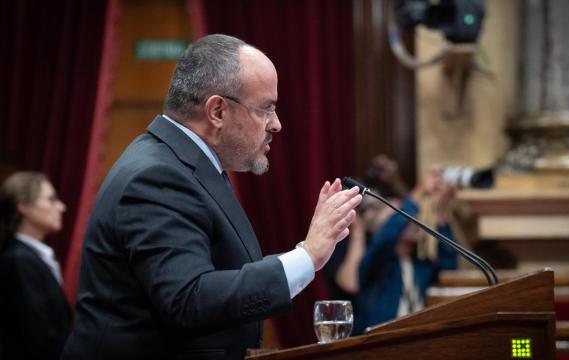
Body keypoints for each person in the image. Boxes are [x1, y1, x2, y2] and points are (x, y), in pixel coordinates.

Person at [62, 34, 362, 359]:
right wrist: (308, 256)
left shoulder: (184, 164)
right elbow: (189, 298)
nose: (276, 124)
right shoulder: (157, 176)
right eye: (266, 109)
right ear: (217, 111)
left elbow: (217, 277)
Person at [355, 162, 459, 334]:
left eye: (413, 216)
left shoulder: (420, 265)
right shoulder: (378, 265)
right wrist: (418, 192)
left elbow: (450, 267)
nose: (413, 219)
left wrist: (440, 212)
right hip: (381, 344)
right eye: (402, 216)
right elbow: (387, 237)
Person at [0, 171, 71, 360]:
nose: (61, 207)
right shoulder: (19, 260)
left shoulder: (32, 256)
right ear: (24, 206)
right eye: (51, 199)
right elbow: (39, 340)